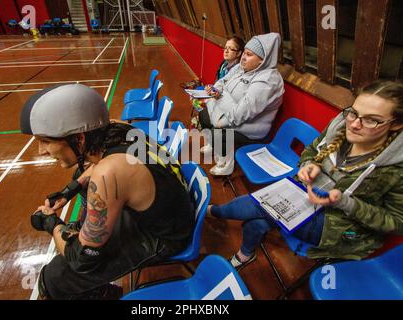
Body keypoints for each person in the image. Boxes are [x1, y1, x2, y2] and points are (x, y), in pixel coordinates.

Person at [20, 84, 195, 299]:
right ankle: (89, 234)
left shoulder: (109, 173)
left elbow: (83, 259)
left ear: (80, 139)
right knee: (81, 176)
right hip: (171, 209)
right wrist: (69, 192)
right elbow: (95, 167)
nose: (41, 151)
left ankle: (106, 294)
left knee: (54, 279)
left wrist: (51, 223)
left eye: (46, 141)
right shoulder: (118, 128)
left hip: (166, 236)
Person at [208, 80, 403, 269]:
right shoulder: (340, 127)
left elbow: (396, 223)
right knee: (258, 219)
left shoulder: (397, 169)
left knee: (261, 208)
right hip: (304, 193)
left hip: (342, 225)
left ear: (396, 124)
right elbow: (311, 150)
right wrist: (310, 164)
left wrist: (347, 203)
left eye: (371, 120)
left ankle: (212, 212)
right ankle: (244, 253)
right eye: (353, 112)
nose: (354, 124)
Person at [198, 33, 285, 176]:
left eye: (249, 54)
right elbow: (221, 82)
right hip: (230, 112)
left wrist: (218, 98)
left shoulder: (268, 81)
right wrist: (217, 91)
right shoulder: (241, 67)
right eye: (244, 52)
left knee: (218, 132)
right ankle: (214, 145)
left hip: (251, 126)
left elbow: (241, 113)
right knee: (203, 115)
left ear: (262, 61)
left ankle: (226, 163)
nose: (243, 57)